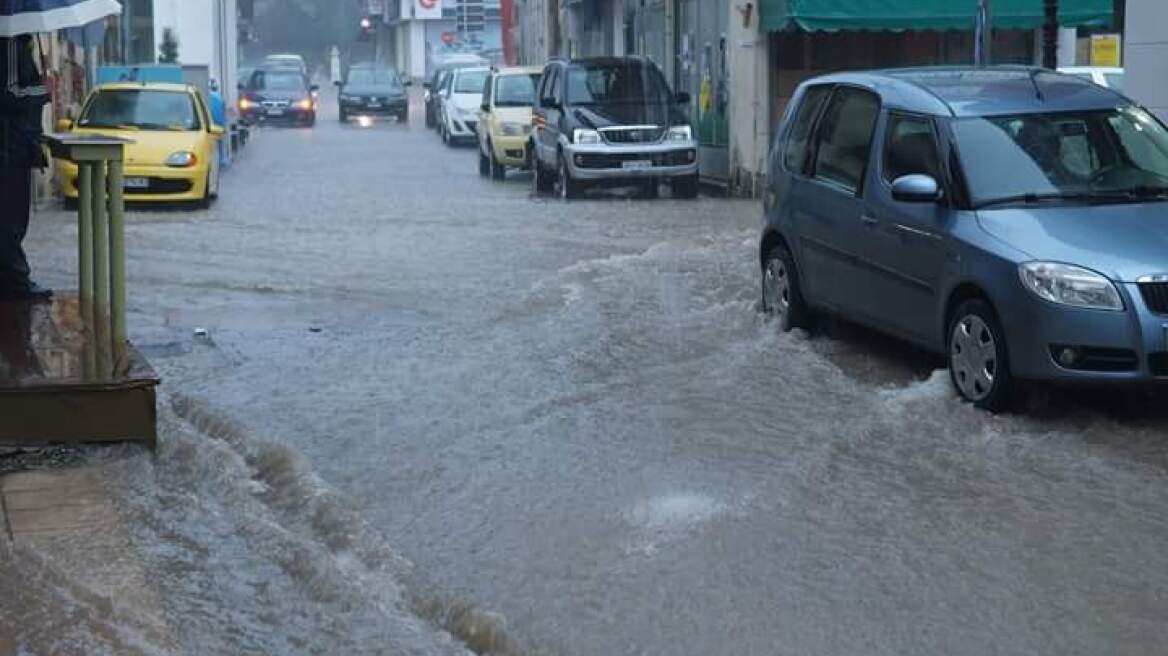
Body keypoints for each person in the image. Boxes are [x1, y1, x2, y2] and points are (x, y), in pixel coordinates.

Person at [0, 35, 52, 301]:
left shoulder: (18, 43)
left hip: (18, 142)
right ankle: (17, 283)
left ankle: (12, 280)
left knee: (13, 215)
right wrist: (44, 89)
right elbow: (9, 93)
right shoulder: (9, 43)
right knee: (11, 217)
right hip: (10, 145)